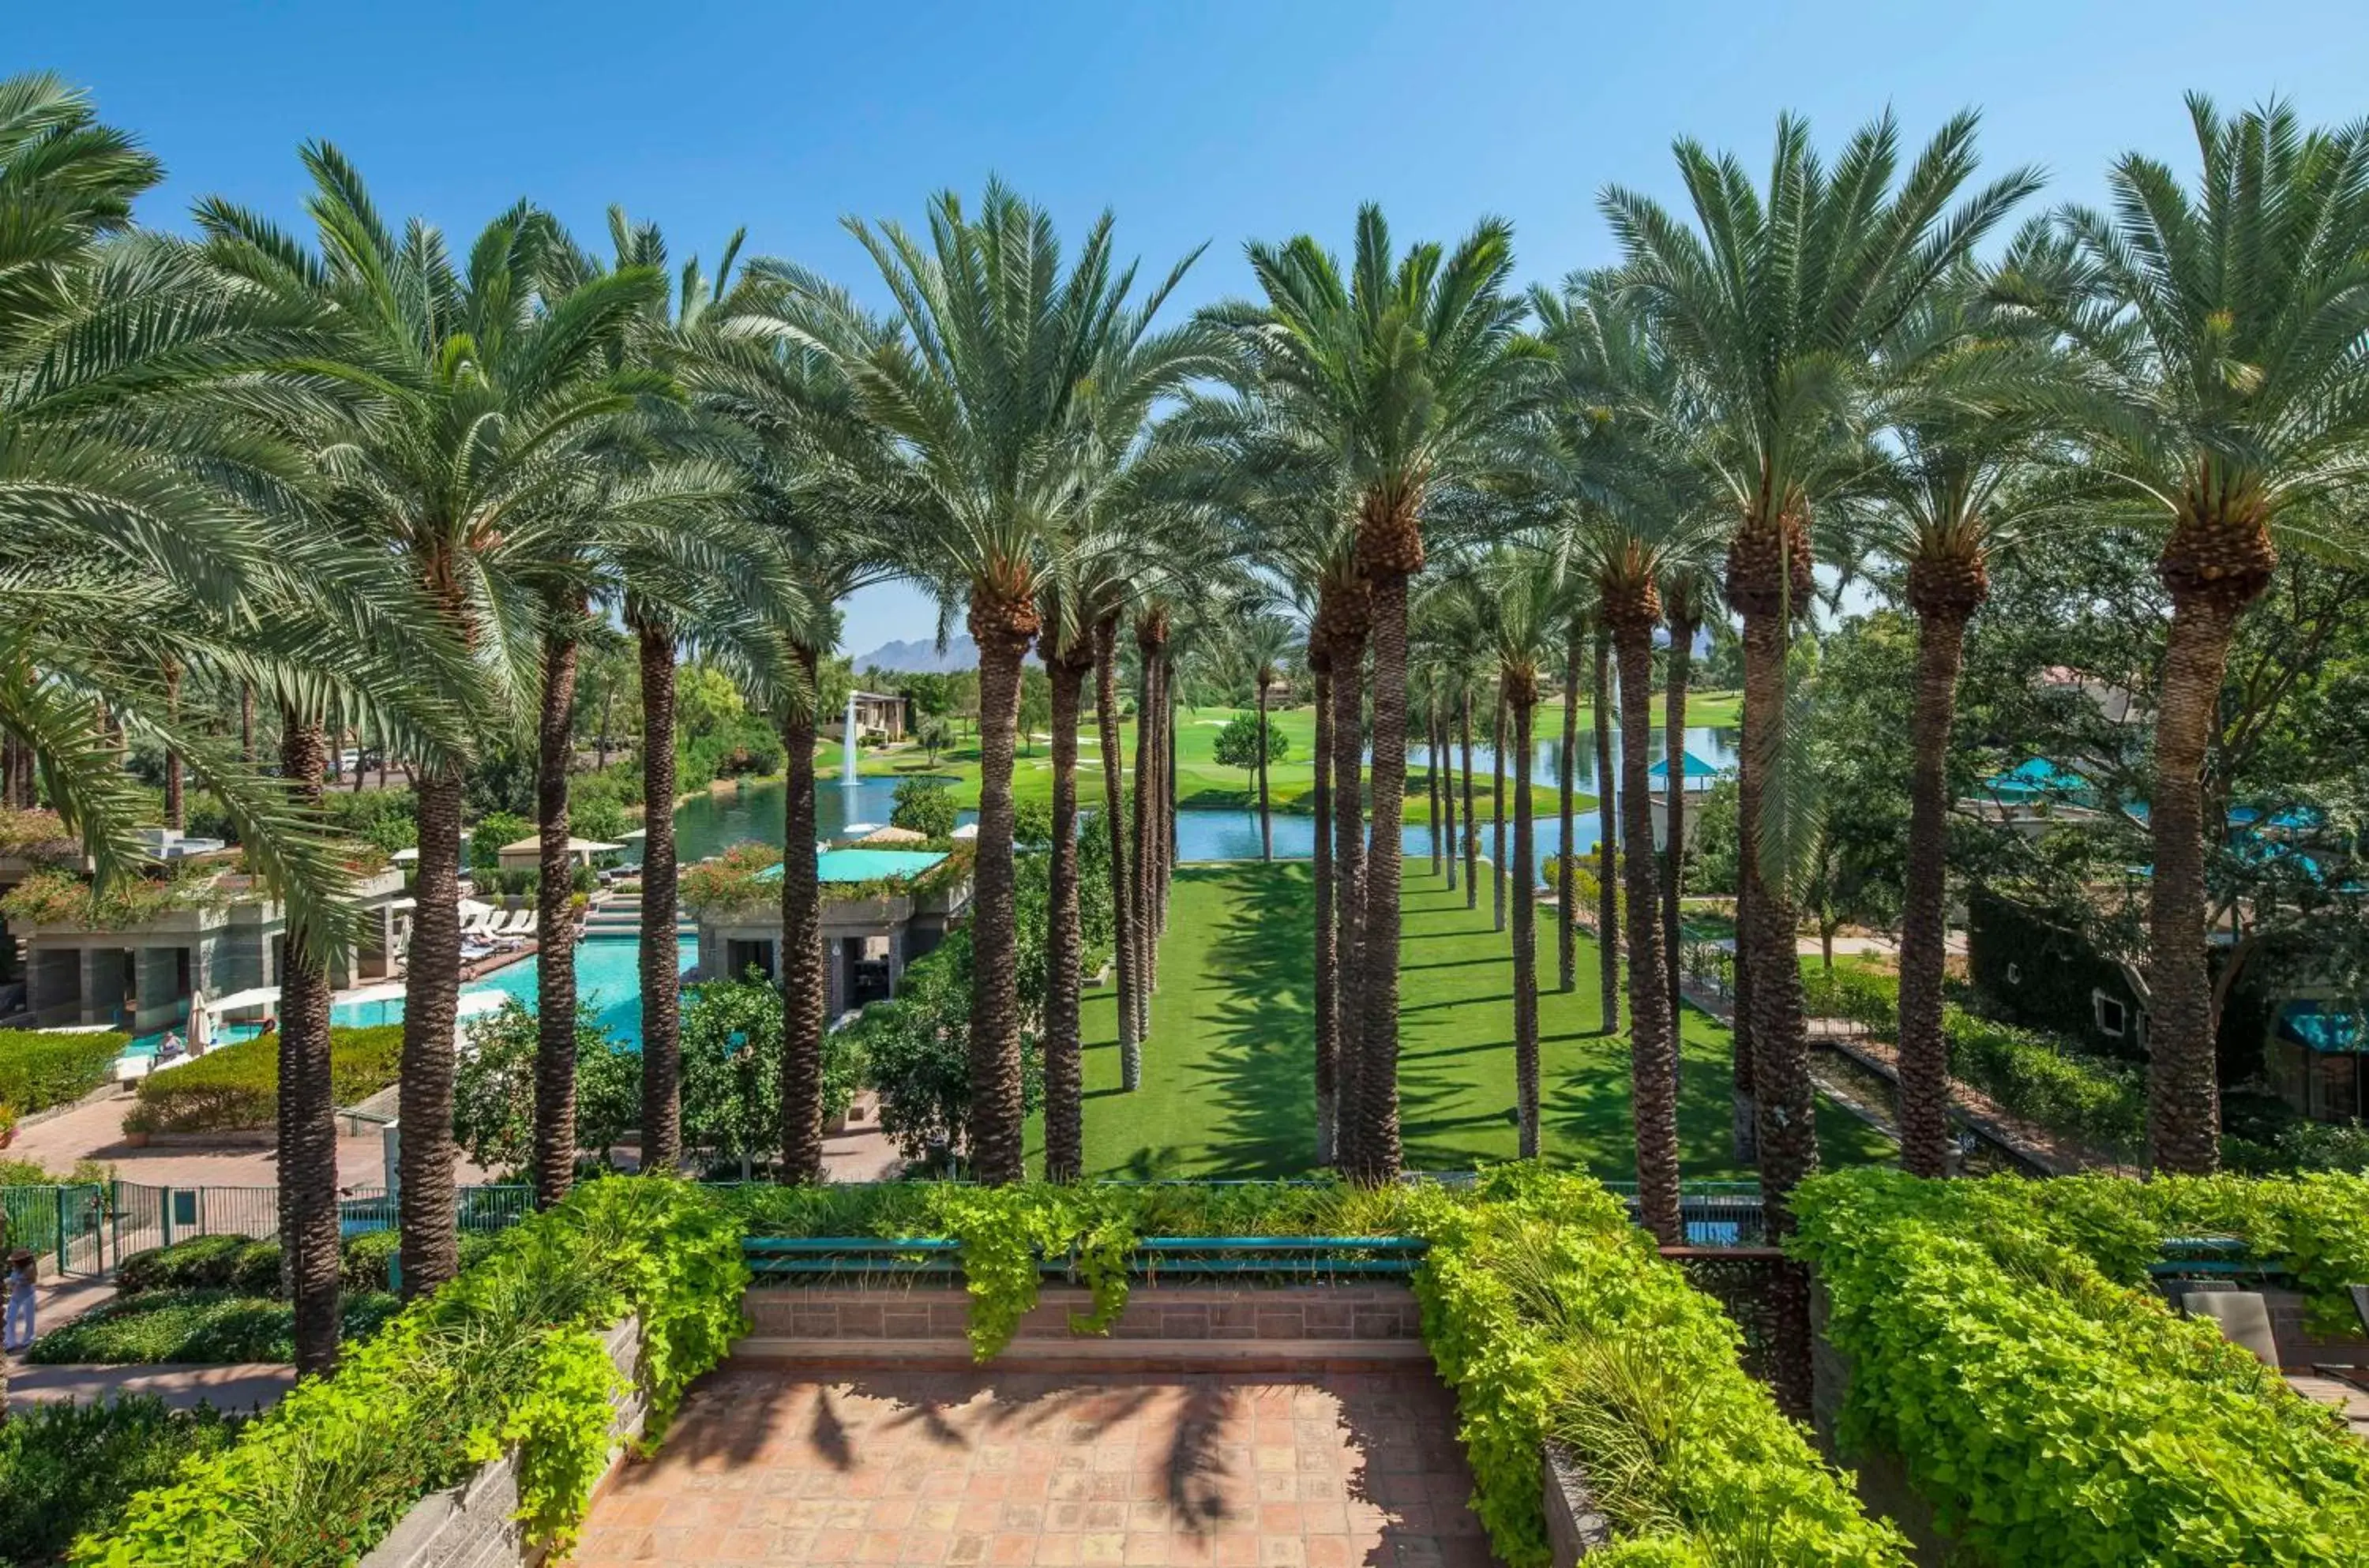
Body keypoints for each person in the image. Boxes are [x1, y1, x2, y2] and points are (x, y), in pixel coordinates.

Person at [4, 1249, 36, 1352]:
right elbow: (13, 1282)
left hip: (28, 1296)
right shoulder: (15, 1269)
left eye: (14, 1261)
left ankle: (28, 1339)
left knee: (29, 1319)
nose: (12, 1262)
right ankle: (10, 1342)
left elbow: (31, 1280)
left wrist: (13, 1282)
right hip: (15, 1297)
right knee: (10, 1319)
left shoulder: (30, 1268)